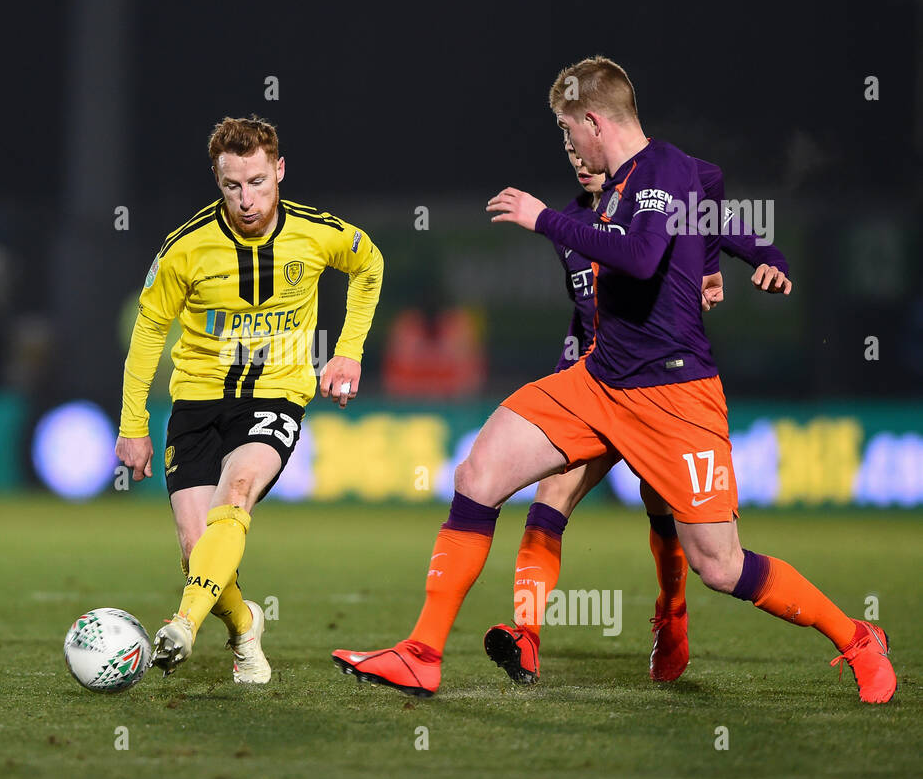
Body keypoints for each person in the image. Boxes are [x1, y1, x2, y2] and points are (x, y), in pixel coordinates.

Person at [333, 56, 894, 704]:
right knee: (478, 474)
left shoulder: (661, 172)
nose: (569, 145)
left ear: (594, 121)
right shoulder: (625, 182)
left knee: (721, 565)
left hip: (676, 396)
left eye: (570, 131)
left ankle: (857, 638)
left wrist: (544, 217)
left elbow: (646, 250)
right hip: (597, 380)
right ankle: (422, 652)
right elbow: (706, 197)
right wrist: (711, 265)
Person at [484, 134, 795, 685]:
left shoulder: (659, 195)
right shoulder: (569, 226)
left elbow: (713, 193)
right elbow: (586, 313)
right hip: (597, 383)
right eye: (568, 151)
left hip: (660, 393)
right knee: (550, 495)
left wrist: (758, 257)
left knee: (668, 515)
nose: (579, 160)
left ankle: (672, 616)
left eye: (583, 146)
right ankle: (526, 636)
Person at [116, 115, 383, 682]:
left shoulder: (317, 232)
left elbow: (369, 263)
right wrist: (132, 422)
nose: (247, 199)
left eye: (258, 182)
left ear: (280, 170)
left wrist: (348, 350)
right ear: (217, 181)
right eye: (233, 185)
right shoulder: (185, 248)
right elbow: (148, 332)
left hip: (277, 394)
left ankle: (182, 626)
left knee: (235, 493)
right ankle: (244, 628)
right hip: (195, 401)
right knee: (198, 554)